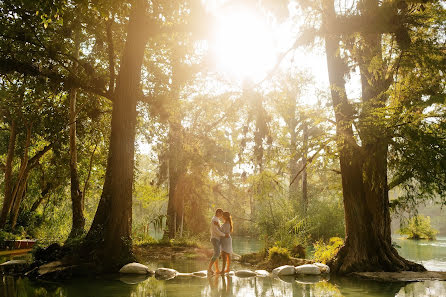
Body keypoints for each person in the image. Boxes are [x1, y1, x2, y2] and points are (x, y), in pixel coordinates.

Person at [207, 208, 228, 275]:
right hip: (215, 239)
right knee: (217, 253)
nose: (222, 215)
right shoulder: (214, 219)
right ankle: (209, 268)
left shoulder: (216, 220)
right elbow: (216, 231)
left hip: (217, 239)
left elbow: (219, 228)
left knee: (216, 253)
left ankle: (216, 269)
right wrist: (224, 235)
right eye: (221, 214)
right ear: (218, 213)